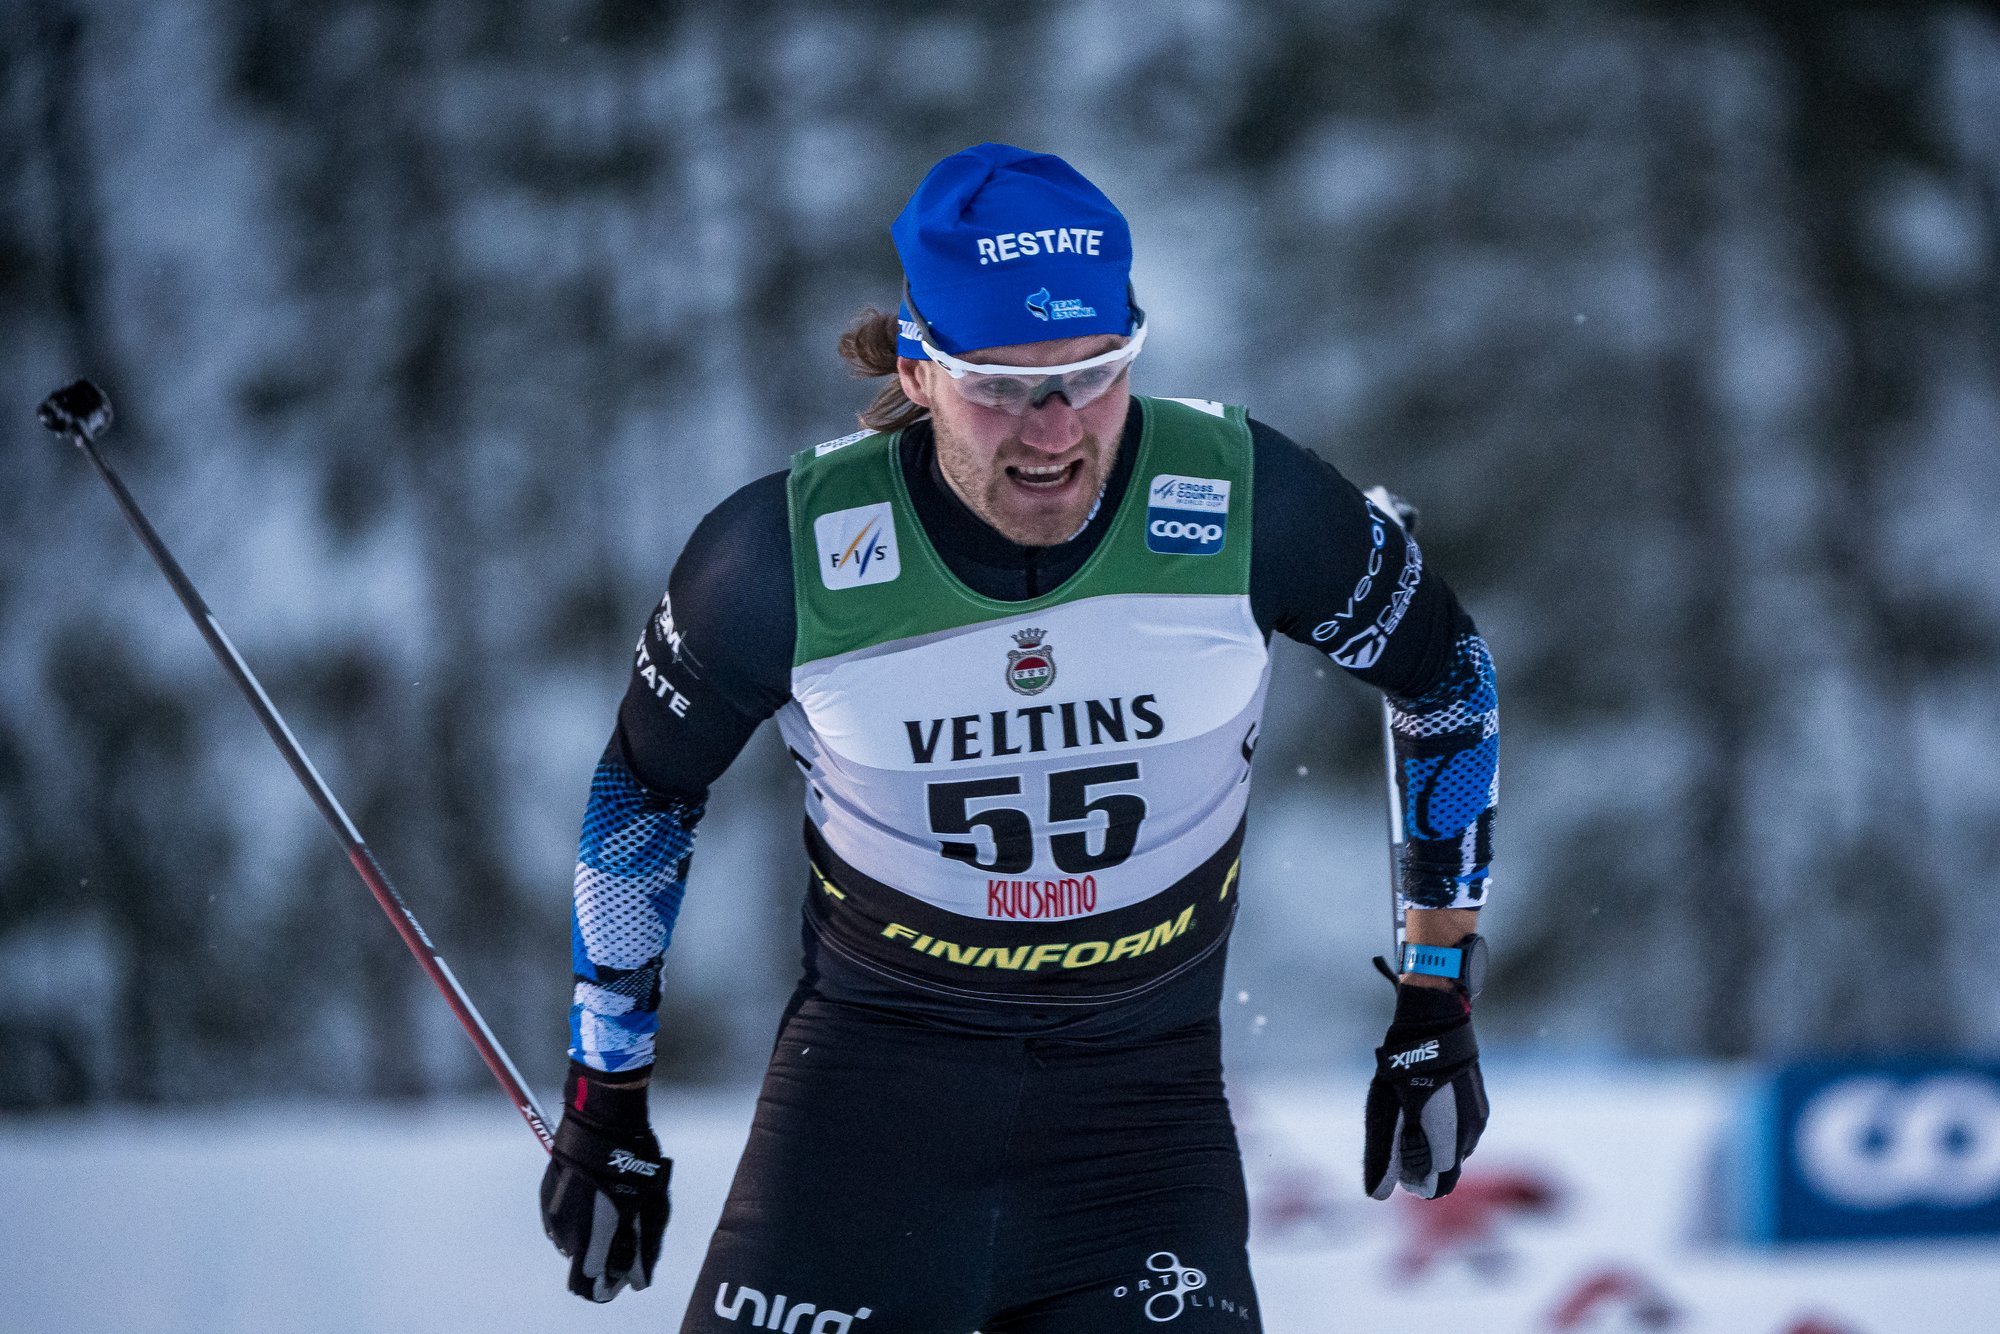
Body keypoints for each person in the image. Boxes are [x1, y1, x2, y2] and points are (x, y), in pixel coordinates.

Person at [537, 143, 1499, 1332]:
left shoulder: (1249, 501)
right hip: (870, 1112)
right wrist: (604, 1094)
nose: (1053, 431)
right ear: (917, 367)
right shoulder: (781, 557)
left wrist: (1434, 996)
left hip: (1140, 1119)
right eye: (999, 385)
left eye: (1094, 373)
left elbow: (1445, 677)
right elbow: (643, 795)